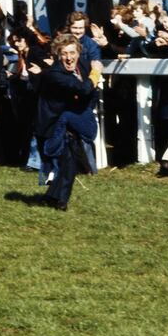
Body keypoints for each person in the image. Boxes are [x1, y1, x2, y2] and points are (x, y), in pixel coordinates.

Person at [36, 33, 100, 210]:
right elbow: (83, 88)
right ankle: (56, 199)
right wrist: (95, 74)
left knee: (69, 163)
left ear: (79, 53)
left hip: (71, 120)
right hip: (52, 123)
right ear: (58, 55)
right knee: (61, 163)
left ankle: (56, 199)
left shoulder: (83, 66)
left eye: (72, 53)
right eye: (64, 53)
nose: (69, 58)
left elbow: (91, 93)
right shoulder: (55, 73)